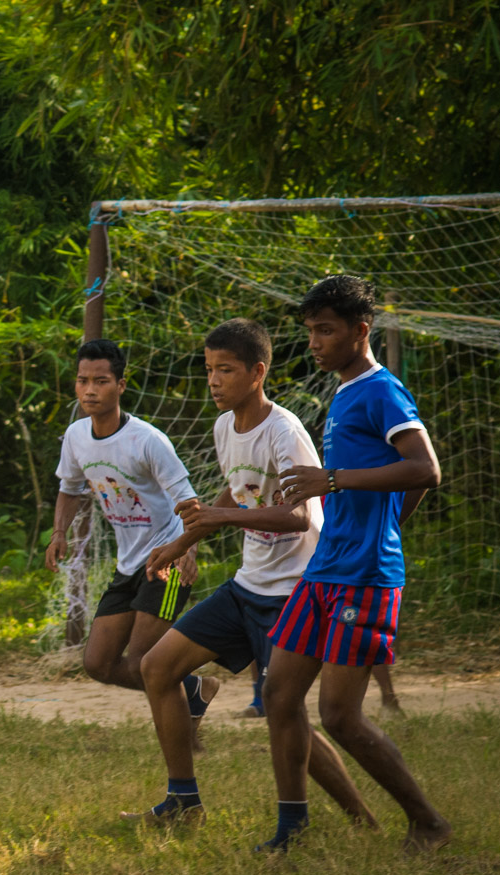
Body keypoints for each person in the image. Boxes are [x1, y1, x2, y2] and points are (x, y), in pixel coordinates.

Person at [131, 318, 375, 827]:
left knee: (286, 715)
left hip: (294, 592)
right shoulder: (225, 427)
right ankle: (183, 801)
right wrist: (180, 542)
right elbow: (235, 492)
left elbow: (298, 515)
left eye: (225, 370)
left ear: (258, 372)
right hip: (248, 585)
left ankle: (360, 818)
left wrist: (220, 517)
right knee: (157, 667)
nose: (214, 381)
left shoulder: (284, 432)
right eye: (208, 370)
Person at [259, 275, 449, 853]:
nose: (315, 342)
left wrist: (335, 483)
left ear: (360, 331)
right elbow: (394, 484)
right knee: (278, 696)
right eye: (310, 331)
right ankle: (293, 825)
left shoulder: (381, 390)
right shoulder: (343, 392)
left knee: (340, 716)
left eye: (326, 330)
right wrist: (379, 516)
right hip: (325, 571)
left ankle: (428, 823)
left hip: (362, 577)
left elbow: (425, 469)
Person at [45, 340, 217, 740]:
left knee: (144, 660)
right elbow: (70, 489)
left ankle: (184, 742)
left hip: (167, 561)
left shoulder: (148, 441)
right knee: (98, 664)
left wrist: (188, 548)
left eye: (101, 381)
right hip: (128, 565)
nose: (90, 390)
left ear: (121, 385)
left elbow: (189, 502)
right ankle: (194, 688)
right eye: (82, 381)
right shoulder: (75, 436)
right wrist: (59, 532)